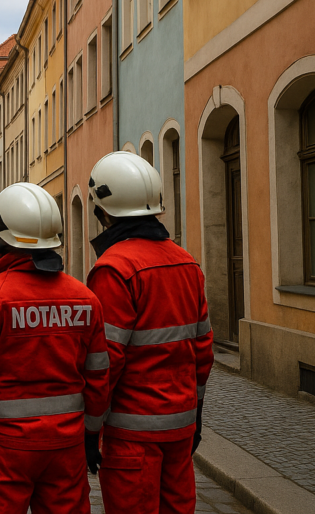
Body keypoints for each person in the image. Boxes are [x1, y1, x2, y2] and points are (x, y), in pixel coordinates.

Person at [0, 183, 109, 514]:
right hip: (66, 450)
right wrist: (91, 434)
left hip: (3, 452)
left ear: (0, 239)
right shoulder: (86, 299)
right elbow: (98, 377)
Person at [86, 151, 214, 514]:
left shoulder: (114, 269)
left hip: (132, 435)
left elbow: (104, 362)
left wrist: (90, 430)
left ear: (104, 213)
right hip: (181, 429)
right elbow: (204, 351)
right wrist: (197, 414)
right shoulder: (187, 262)